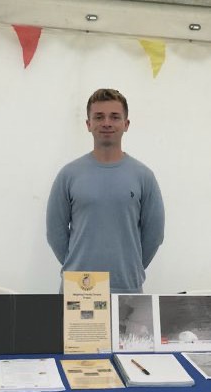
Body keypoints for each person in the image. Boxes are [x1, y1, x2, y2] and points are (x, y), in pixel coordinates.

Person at [46, 88, 165, 294]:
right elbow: (55, 232)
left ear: (126, 124)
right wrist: (76, 267)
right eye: (99, 117)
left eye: (115, 117)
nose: (107, 123)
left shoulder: (144, 176)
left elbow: (154, 235)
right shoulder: (69, 174)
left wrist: (130, 268)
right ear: (88, 124)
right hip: (78, 288)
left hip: (127, 288)